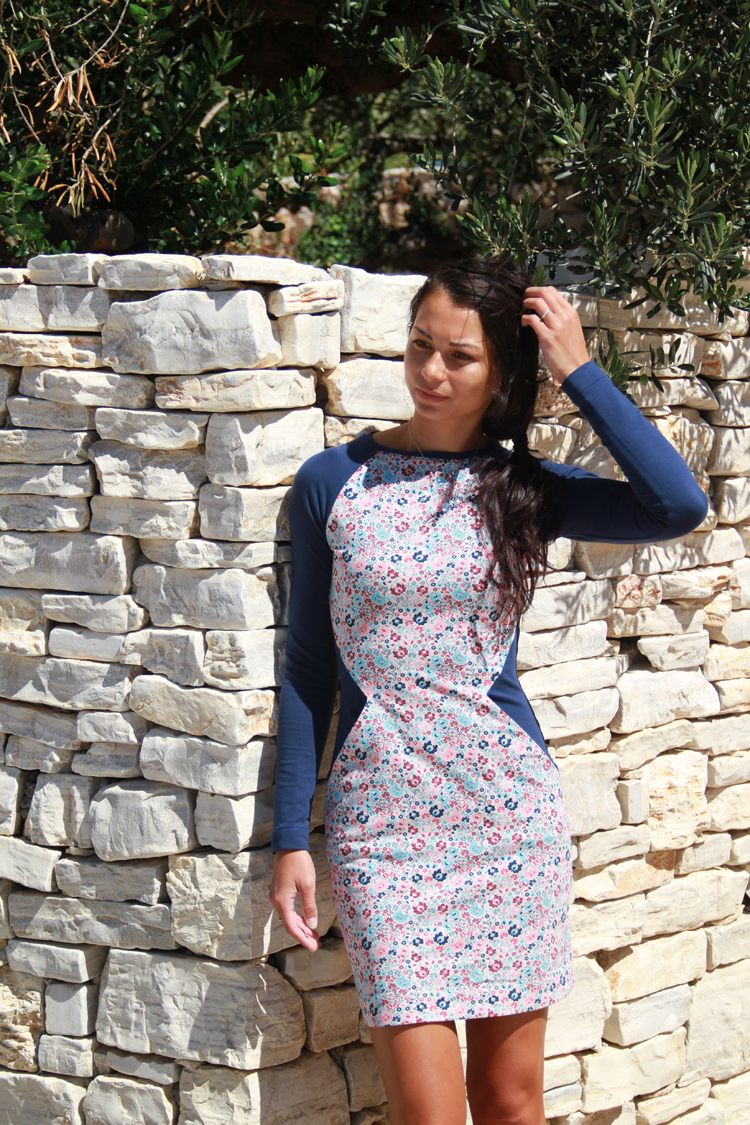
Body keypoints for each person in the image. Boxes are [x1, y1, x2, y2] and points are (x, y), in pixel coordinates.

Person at [269, 256, 708, 1125]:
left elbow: (677, 505)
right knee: (429, 1114)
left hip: (505, 817)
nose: (431, 371)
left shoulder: (523, 489)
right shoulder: (332, 482)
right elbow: (308, 668)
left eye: (460, 356)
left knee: (510, 1101)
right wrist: (291, 837)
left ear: (501, 373)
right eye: (419, 345)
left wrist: (579, 372)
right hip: (384, 832)